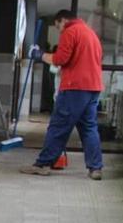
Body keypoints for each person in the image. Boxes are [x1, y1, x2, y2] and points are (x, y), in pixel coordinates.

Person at [21, 10, 104, 180]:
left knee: (59, 126)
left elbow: (60, 59)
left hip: (74, 88)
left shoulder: (70, 31)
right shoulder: (91, 33)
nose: (59, 30)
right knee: (89, 128)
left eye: (58, 26)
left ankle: (43, 164)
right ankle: (95, 168)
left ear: (63, 20)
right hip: (93, 87)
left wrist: (39, 55)